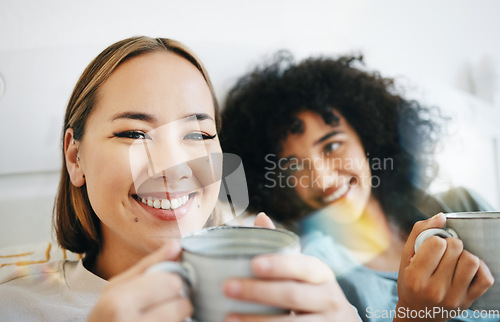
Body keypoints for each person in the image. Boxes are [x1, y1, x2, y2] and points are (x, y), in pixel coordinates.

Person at [0, 37, 361, 321]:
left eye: (198, 135)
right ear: (76, 157)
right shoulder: (13, 307)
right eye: (135, 134)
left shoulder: (294, 294)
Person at [219, 51, 496, 321]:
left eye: (332, 146)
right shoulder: (313, 272)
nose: (323, 178)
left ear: (368, 139)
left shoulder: (465, 206)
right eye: (294, 167)